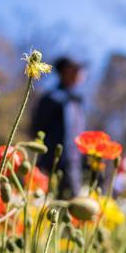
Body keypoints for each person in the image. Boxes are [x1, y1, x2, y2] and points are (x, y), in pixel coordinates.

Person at [31, 56, 86, 196]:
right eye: (77, 70)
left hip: (73, 166)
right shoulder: (52, 99)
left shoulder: (76, 102)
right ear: (66, 71)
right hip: (51, 164)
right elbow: (37, 129)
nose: (81, 74)